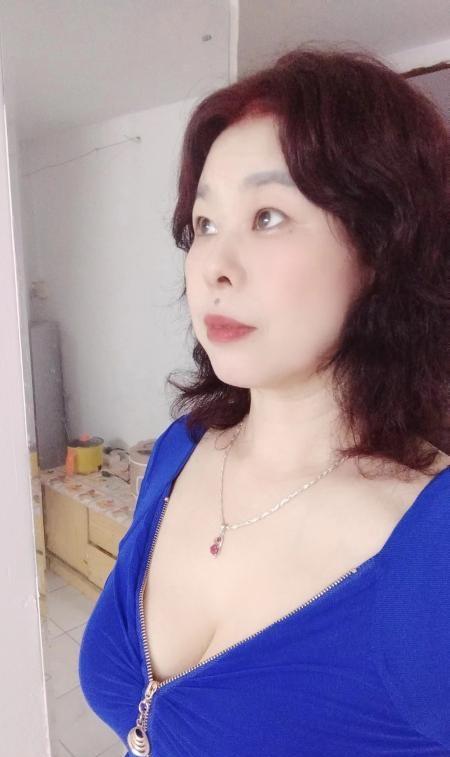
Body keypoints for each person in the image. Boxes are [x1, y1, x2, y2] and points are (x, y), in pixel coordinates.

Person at [79, 44, 450, 756]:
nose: (213, 267)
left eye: (269, 216)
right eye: (205, 224)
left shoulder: (432, 551)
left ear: (384, 246)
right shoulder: (181, 449)